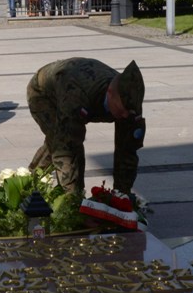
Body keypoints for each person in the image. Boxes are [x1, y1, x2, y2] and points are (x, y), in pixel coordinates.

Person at [27, 58, 145, 195]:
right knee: (59, 139)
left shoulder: (130, 102)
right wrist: (72, 198)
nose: (125, 115)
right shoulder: (76, 94)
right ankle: (31, 184)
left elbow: (127, 152)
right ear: (110, 93)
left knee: (60, 138)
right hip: (44, 93)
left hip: (81, 92)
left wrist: (122, 196)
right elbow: (67, 150)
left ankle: (32, 180)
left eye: (129, 111)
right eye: (122, 109)